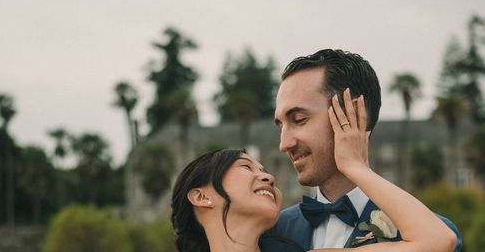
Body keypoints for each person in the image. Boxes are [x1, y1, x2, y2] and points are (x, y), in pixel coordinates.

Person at [172, 88, 458, 252]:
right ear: (200, 196)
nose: (268, 175)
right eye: (246, 166)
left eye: (299, 119)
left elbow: (439, 240)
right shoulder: (283, 231)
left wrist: (356, 167)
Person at [260, 49, 462, 251]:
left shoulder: (430, 233)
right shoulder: (271, 232)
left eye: (299, 120)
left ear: (353, 114)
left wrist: (355, 167)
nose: (284, 144)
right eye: (281, 126)